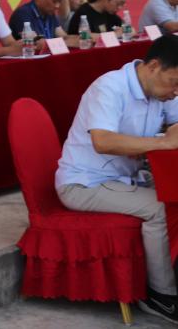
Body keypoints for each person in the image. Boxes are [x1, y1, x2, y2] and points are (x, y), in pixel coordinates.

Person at [55, 35, 178, 323]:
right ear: (153, 66)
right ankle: (161, 295)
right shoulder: (110, 87)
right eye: (174, 83)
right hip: (85, 183)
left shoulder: (161, 90)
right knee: (160, 208)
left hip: (126, 177)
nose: (176, 92)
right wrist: (161, 143)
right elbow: (103, 141)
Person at [8, 0, 76, 45]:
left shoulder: (50, 13)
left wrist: (78, 39)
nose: (57, 6)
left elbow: (63, 37)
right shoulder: (23, 14)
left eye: (60, 1)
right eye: (54, 1)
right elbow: (37, 44)